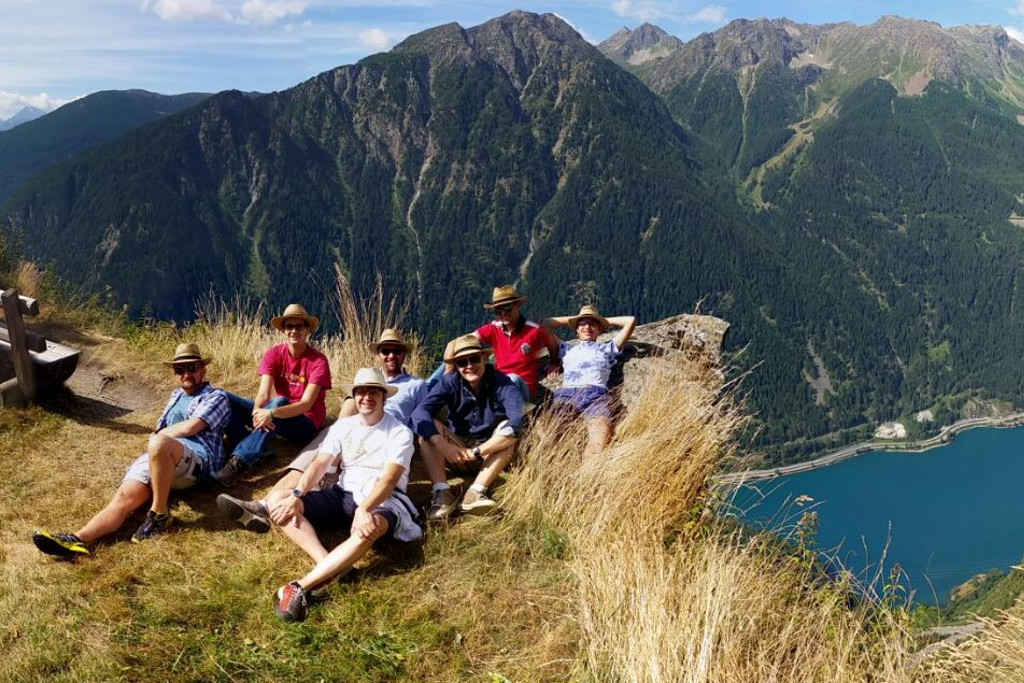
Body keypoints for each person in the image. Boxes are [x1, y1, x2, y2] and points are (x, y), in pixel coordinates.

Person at [218, 368, 422, 623]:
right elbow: (320, 463)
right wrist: (296, 495)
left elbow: (389, 480)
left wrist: (365, 509)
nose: (367, 397)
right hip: (344, 493)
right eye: (361, 392)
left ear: (384, 396)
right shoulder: (344, 426)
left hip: (383, 499)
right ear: (354, 396)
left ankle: (300, 586)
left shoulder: (400, 432)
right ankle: (330, 564)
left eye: (373, 392)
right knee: (279, 501)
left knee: (368, 529)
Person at [217, 329, 427, 531]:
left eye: (396, 351)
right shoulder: (365, 379)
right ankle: (265, 503)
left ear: (404, 354)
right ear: (378, 354)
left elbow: (424, 415)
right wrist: (339, 438)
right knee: (315, 454)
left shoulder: (416, 385)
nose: (391, 356)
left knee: (321, 449)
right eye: (385, 350)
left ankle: (268, 500)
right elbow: (349, 408)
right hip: (354, 429)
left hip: (385, 435)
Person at [32, 343, 231, 555]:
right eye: (179, 370)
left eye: (192, 368)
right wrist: (157, 441)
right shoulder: (176, 396)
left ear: (203, 369)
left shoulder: (215, 396)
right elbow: (161, 430)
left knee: (158, 443)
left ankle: (160, 514)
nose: (186, 374)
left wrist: (157, 439)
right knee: (123, 498)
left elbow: (190, 427)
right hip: (162, 456)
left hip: (197, 461)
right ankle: (78, 539)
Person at [214, 303, 332, 486]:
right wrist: (258, 412)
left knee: (279, 401)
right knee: (222, 397)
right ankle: (253, 447)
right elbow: (263, 393)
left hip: (306, 422)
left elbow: (306, 404)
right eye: (289, 326)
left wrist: (271, 413)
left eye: (299, 326)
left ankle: (238, 462)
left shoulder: (318, 361)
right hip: (277, 412)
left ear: (307, 330)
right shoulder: (274, 354)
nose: (294, 331)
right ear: (283, 330)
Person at [414, 335, 524, 520]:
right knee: (428, 427)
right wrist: (444, 446)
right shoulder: (449, 382)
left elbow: (517, 420)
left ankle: (475, 492)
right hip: (455, 452)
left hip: (488, 452)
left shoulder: (502, 382)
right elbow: (420, 413)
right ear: (456, 366)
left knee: (507, 429)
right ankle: (442, 493)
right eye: (462, 362)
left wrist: (477, 451)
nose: (469, 366)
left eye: (474, 359)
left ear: (484, 358)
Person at [438, 285, 561, 404]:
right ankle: (435, 389)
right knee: (460, 363)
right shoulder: (494, 328)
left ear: (518, 305)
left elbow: (553, 342)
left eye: (507, 309)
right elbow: (459, 342)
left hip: (522, 387)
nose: (503, 314)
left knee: (512, 379)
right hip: (498, 383)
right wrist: (448, 369)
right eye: (498, 310)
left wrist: (554, 362)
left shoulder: (534, 331)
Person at [546, 305, 636, 458]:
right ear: (576, 329)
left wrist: (603, 321)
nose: (587, 327)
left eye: (592, 324)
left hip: (596, 396)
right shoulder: (566, 348)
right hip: (567, 394)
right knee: (549, 434)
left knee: (599, 440)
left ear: (600, 329)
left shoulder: (608, 349)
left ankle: (586, 472)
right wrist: (576, 319)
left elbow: (630, 321)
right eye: (582, 324)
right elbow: (545, 324)